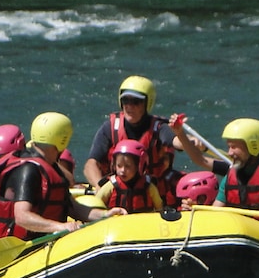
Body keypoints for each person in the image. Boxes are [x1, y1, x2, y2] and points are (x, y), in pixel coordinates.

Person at [0, 112, 123, 241]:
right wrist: (60, 226)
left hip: (46, 241)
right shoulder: (28, 170)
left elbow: (73, 208)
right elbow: (22, 217)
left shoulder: (54, 168)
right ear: (62, 139)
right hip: (21, 246)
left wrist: (105, 215)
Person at [84, 76, 202, 206]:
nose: (129, 106)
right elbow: (91, 164)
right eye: (125, 100)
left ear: (147, 103)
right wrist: (100, 187)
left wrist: (188, 139)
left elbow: (178, 142)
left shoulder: (159, 128)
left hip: (154, 194)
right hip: (119, 195)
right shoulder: (110, 128)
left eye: (136, 102)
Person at [95, 140, 162, 213]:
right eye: (119, 166)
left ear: (139, 166)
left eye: (128, 166)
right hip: (116, 222)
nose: (123, 170)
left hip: (142, 223)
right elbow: (96, 203)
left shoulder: (149, 186)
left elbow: (159, 207)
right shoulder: (111, 186)